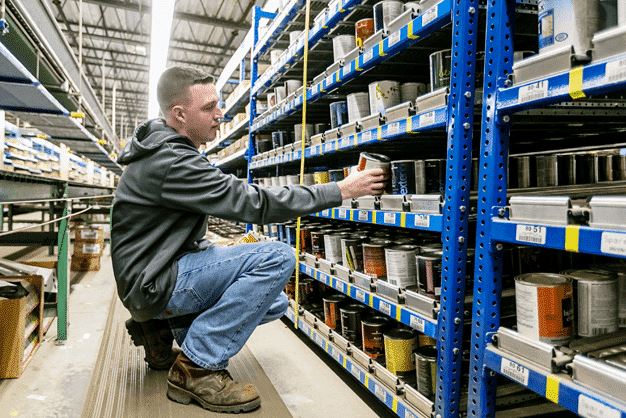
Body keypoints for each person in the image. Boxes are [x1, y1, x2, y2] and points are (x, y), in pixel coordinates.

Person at [111, 66, 387, 413]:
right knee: (277, 257)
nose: (219, 114)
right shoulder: (172, 162)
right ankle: (197, 368)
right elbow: (255, 203)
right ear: (179, 114)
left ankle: (159, 329)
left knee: (274, 303)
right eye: (209, 107)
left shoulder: (165, 151)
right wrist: (341, 190)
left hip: (149, 275)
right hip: (152, 283)